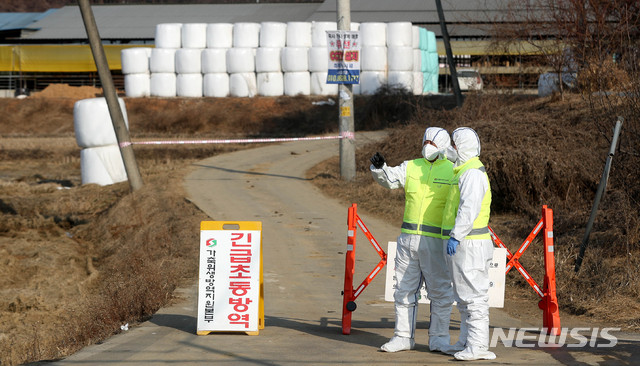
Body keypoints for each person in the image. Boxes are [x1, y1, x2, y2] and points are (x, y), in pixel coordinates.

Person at [370, 127, 455, 353]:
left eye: (434, 143)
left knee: (440, 293)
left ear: (445, 146)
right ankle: (402, 337)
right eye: (426, 140)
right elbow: (390, 179)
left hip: (436, 241)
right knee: (403, 290)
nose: (428, 145)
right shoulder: (411, 166)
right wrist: (379, 169)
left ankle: (439, 339)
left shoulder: (453, 170)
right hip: (408, 240)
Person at [441, 127, 496, 361]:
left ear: (462, 147)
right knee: (463, 297)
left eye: (454, 144)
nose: (451, 149)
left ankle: (477, 345)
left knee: (473, 297)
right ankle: (466, 341)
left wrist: (456, 235)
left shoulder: (472, 173)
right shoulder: (462, 171)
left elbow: (468, 209)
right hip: (466, 242)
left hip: (470, 242)